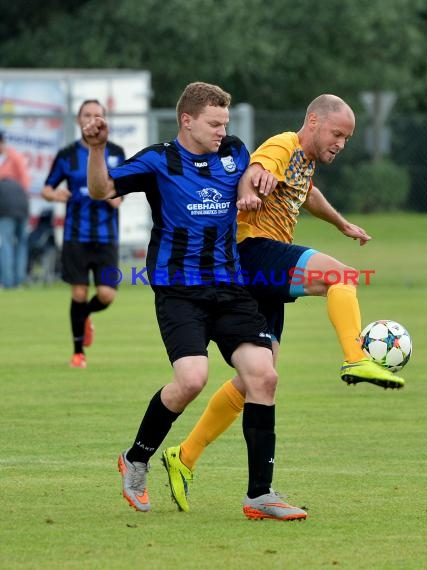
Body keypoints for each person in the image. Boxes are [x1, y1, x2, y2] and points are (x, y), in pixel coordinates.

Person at [162, 94, 406, 513]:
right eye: (337, 134)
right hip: (251, 249)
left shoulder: (304, 162)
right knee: (341, 276)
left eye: (347, 138)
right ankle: (355, 357)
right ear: (313, 121)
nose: (341, 144)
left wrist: (342, 223)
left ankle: (184, 457)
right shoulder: (284, 145)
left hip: (256, 270)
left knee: (259, 380)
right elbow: (258, 166)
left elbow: (306, 194)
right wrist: (253, 186)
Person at [83, 81, 307, 521]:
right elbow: (100, 189)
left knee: (263, 375)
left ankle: (260, 495)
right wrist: (97, 149)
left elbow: (247, 171)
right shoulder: (157, 160)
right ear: (187, 120)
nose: (223, 130)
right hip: (179, 292)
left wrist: (248, 187)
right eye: (214, 123)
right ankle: (136, 458)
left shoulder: (236, 151)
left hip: (230, 288)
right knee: (191, 379)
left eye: (225, 123)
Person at [41, 100, 125, 368]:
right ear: (78, 120)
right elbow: (46, 188)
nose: (92, 118)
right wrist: (56, 195)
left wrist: (117, 197)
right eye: (87, 114)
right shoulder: (67, 155)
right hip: (75, 235)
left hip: (106, 236)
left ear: (104, 120)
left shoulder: (116, 152)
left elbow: (123, 187)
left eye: (97, 115)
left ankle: (85, 315)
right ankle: (78, 353)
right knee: (78, 292)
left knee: (106, 295)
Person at [0, 131, 31, 289]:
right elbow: (26, 181)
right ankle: (16, 281)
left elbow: (25, 181)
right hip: (20, 204)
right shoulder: (15, 156)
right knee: (19, 243)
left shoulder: (13, 157)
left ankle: (8, 282)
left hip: (8, 206)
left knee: (7, 243)